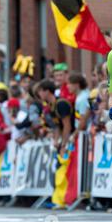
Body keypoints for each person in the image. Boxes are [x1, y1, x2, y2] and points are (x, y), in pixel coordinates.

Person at [36, 79, 75, 209]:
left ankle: (64, 199)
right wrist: (56, 142)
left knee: (65, 170)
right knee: (58, 170)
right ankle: (58, 199)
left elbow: (67, 125)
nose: (39, 95)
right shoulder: (51, 106)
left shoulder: (61, 104)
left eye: (40, 91)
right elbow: (57, 127)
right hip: (62, 140)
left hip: (72, 140)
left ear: (47, 91)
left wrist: (64, 145)